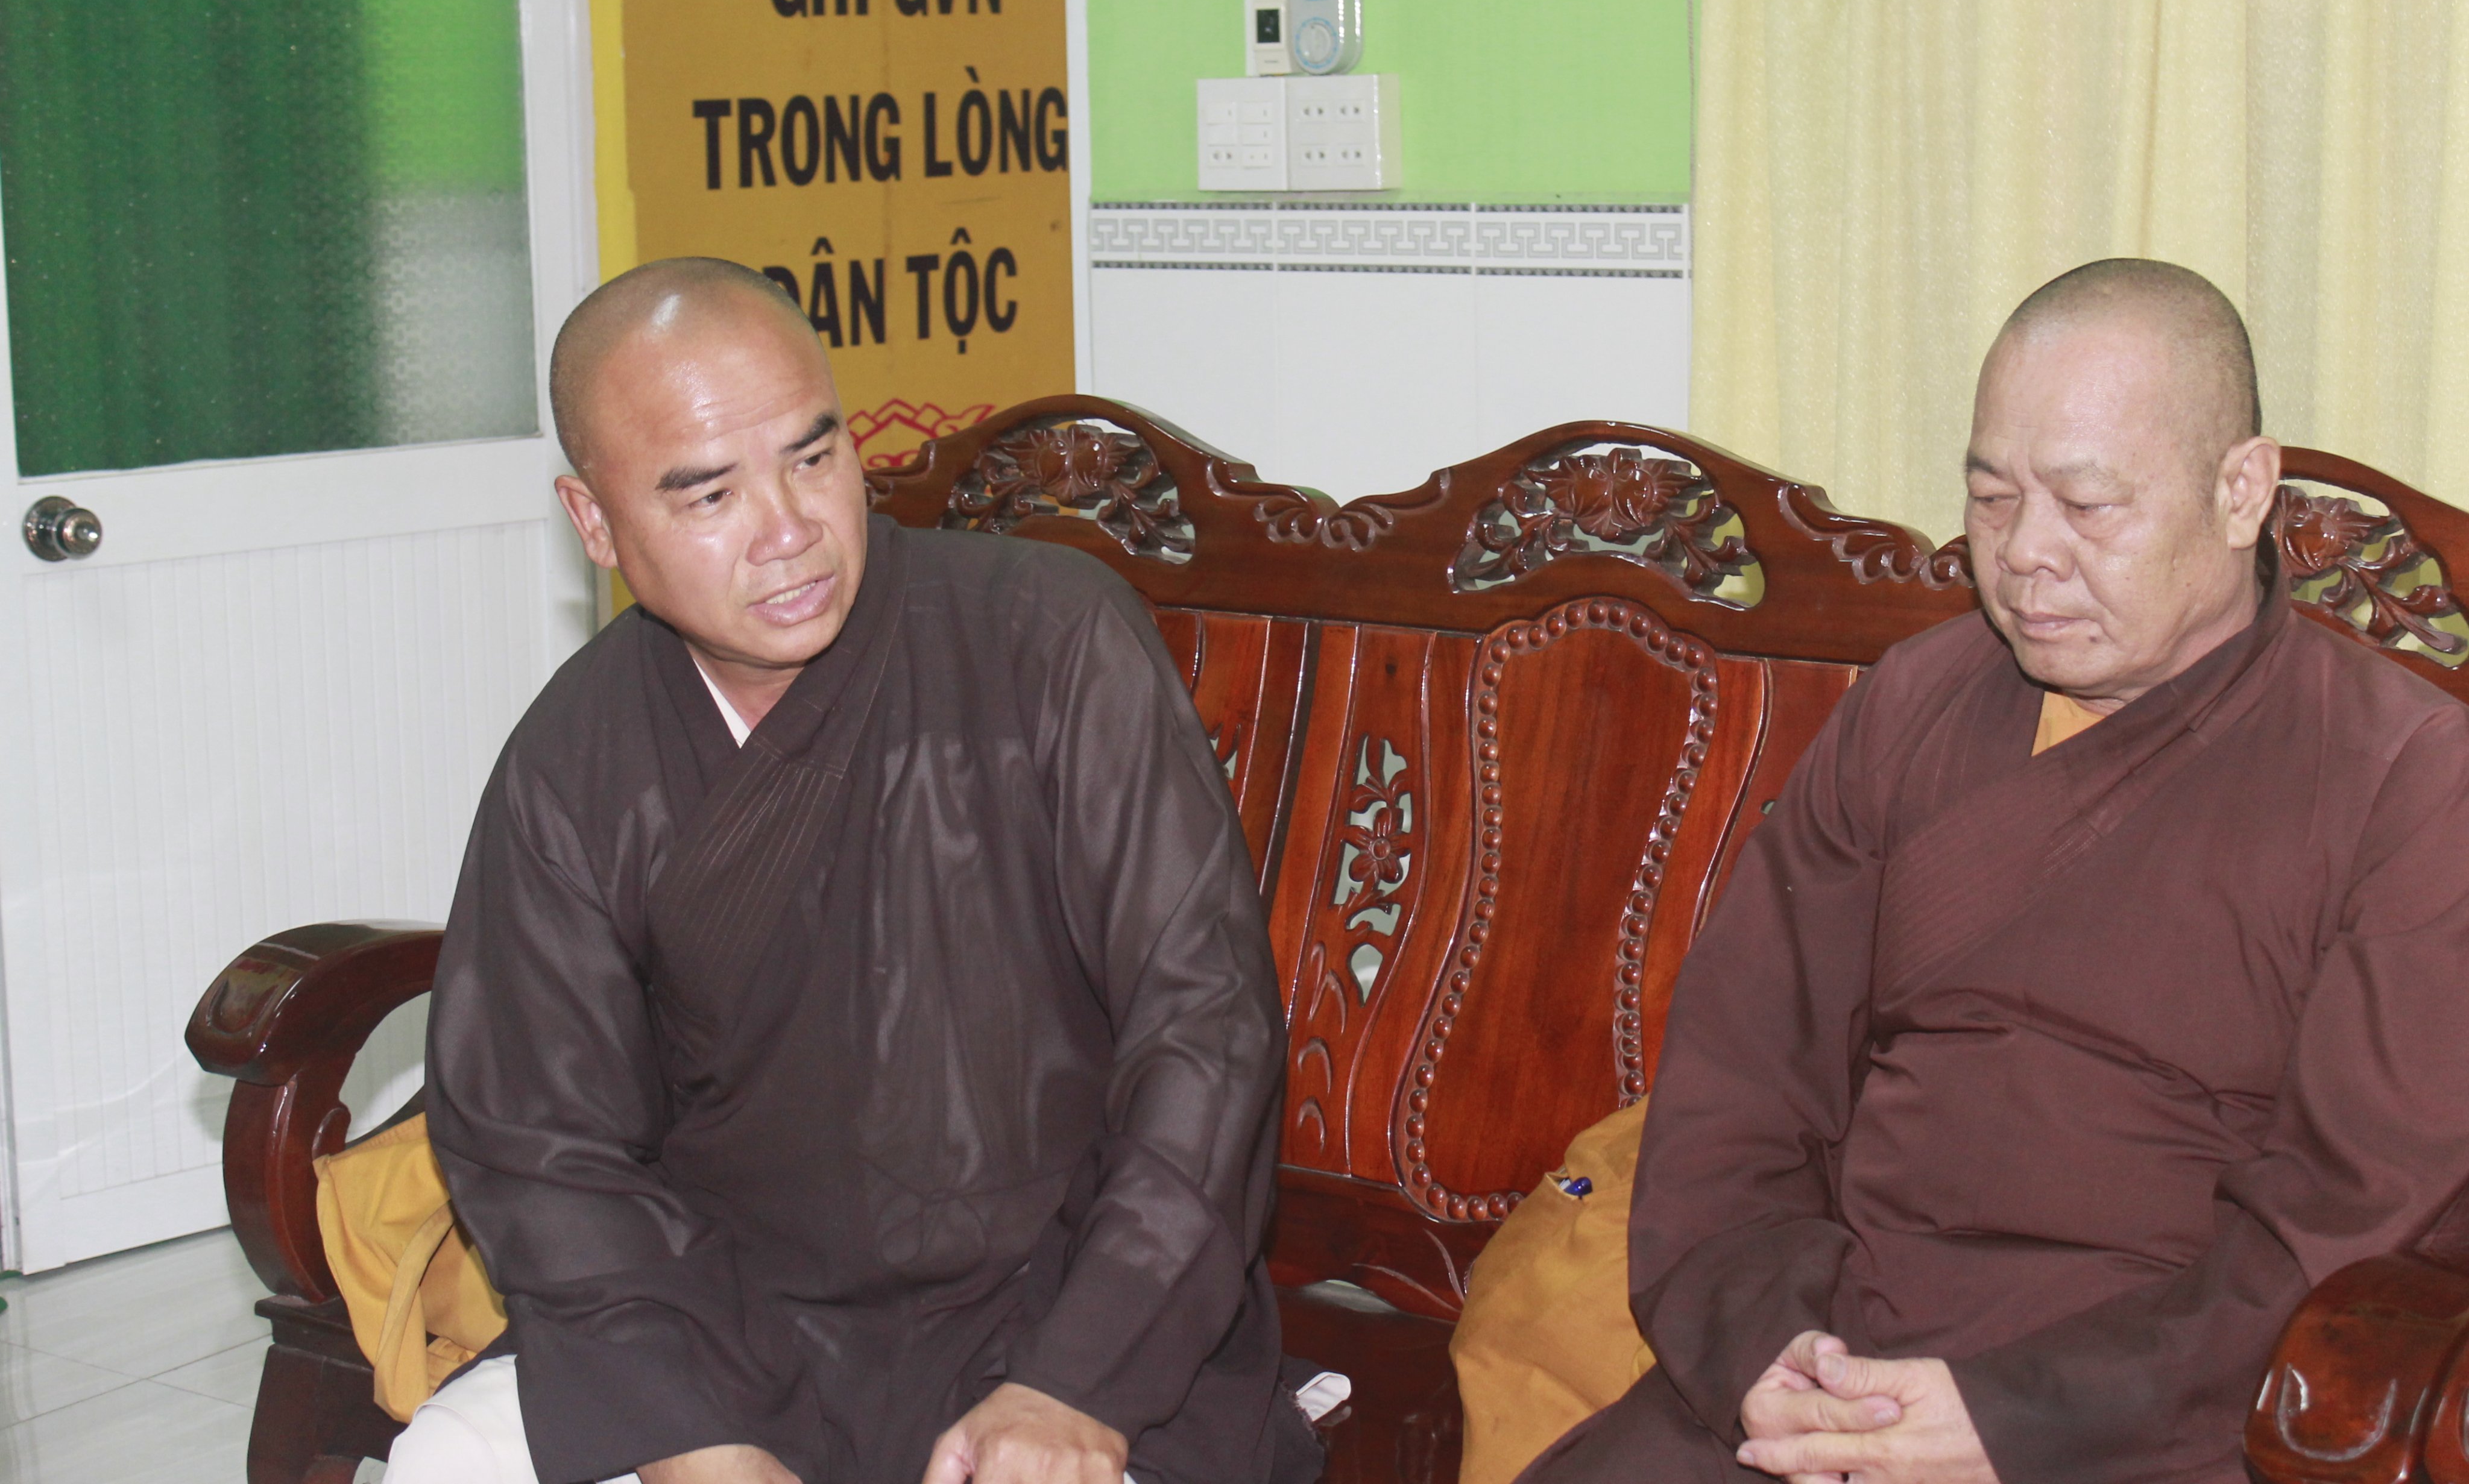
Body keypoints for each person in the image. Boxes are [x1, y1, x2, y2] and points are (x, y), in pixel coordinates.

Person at [1513, 259, 2469, 1484]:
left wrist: (2017, 1420)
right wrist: (1770, 1354)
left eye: (2088, 505)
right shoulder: (1911, 705)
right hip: (1836, 1355)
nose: (2024, 555)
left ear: (2241, 491)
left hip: (2143, 1412)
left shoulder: (2407, 781)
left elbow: (2341, 1224)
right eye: (1991, 496)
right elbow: (1741, 1077)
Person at [386, 258, 1322, 1484]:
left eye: (813, 455)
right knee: (450, 1460)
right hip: (727, 1326)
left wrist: (1078, 1382)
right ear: (596, 523)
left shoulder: (1049, 642)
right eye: (711, 493)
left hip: (1060, 1309)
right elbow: (537, 1141)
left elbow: (1206, 1027)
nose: (789, 532)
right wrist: (692, 1435)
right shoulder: (576, 756)